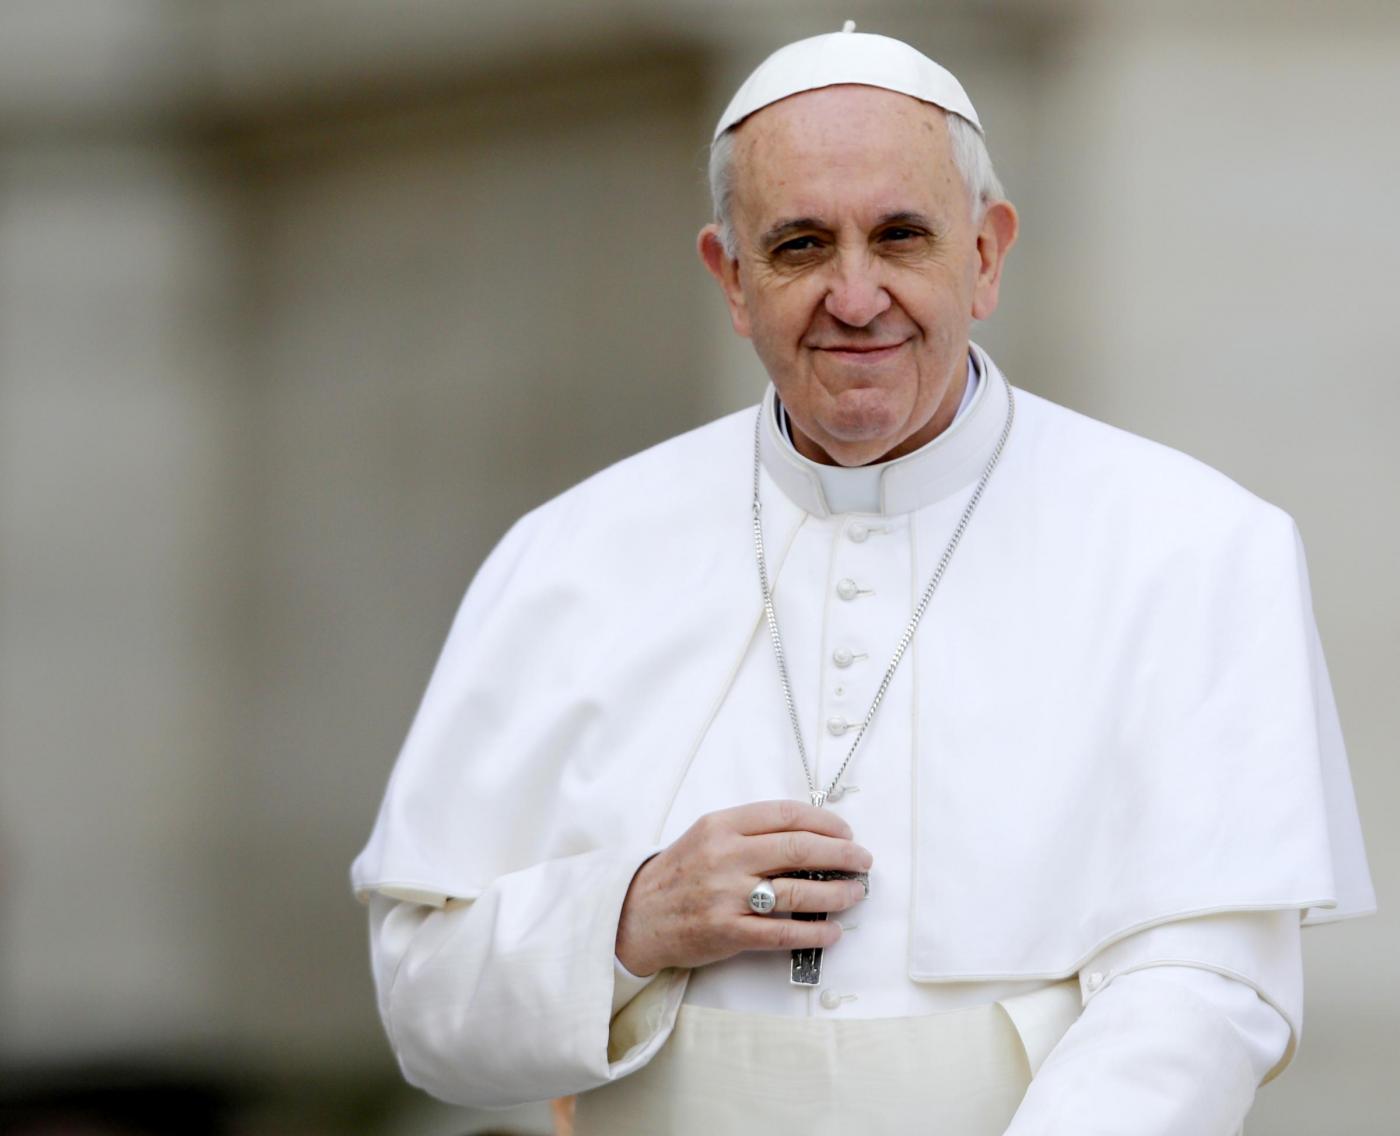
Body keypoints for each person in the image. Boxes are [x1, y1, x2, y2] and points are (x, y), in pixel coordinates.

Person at [352, 23, 1374, 1135]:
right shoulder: (566, 557)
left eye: (899, 237)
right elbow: (424, 1004)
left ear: (983, 255)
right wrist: (626, 918)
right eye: (797, 245)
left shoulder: (1193, 547)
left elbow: (1208, 990)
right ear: (729, 278)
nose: (853, 295)